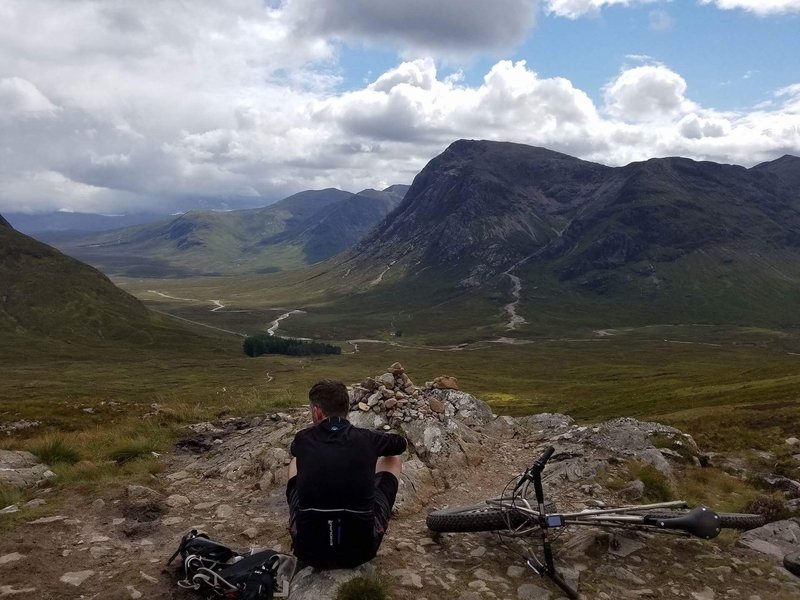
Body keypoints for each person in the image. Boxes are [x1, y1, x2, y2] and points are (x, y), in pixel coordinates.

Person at [286, 378, 406, 569]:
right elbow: (400, 444)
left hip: (309, 550)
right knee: (393, 459)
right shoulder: (367, 438)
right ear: (346, 409)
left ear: (317, 411)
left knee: (295, 462)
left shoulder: (302, 439)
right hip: (361, 551)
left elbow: (294, 450)